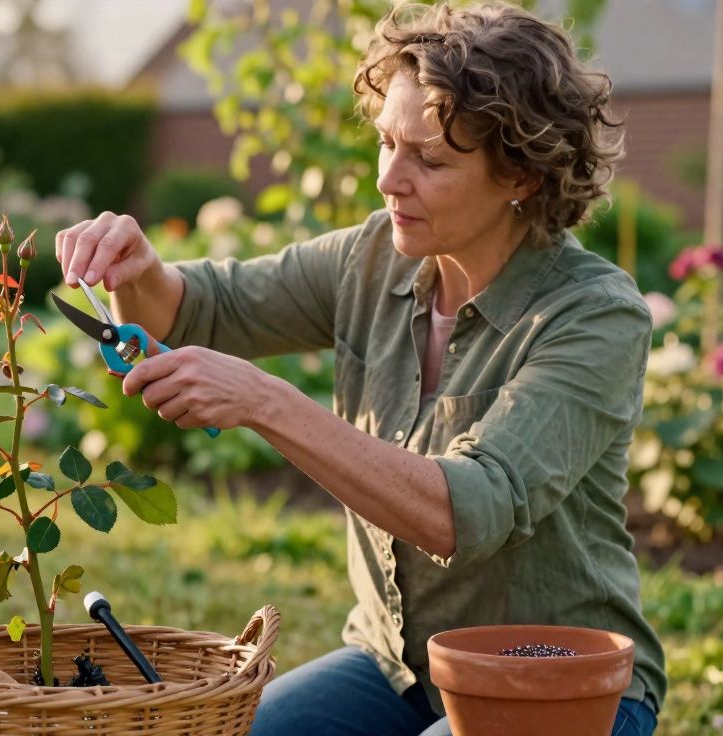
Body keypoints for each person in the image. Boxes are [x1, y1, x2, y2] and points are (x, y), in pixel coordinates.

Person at [57, 2, 666, 734]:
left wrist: (267, 403)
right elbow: (200, 309)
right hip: (395, 666)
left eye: (430, 160)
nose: (389, 180)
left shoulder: (594, 315)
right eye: (386, 143)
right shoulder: (373, 259)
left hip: (554, 680)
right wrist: (139, 267)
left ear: (521, 176)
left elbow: (466, 511)